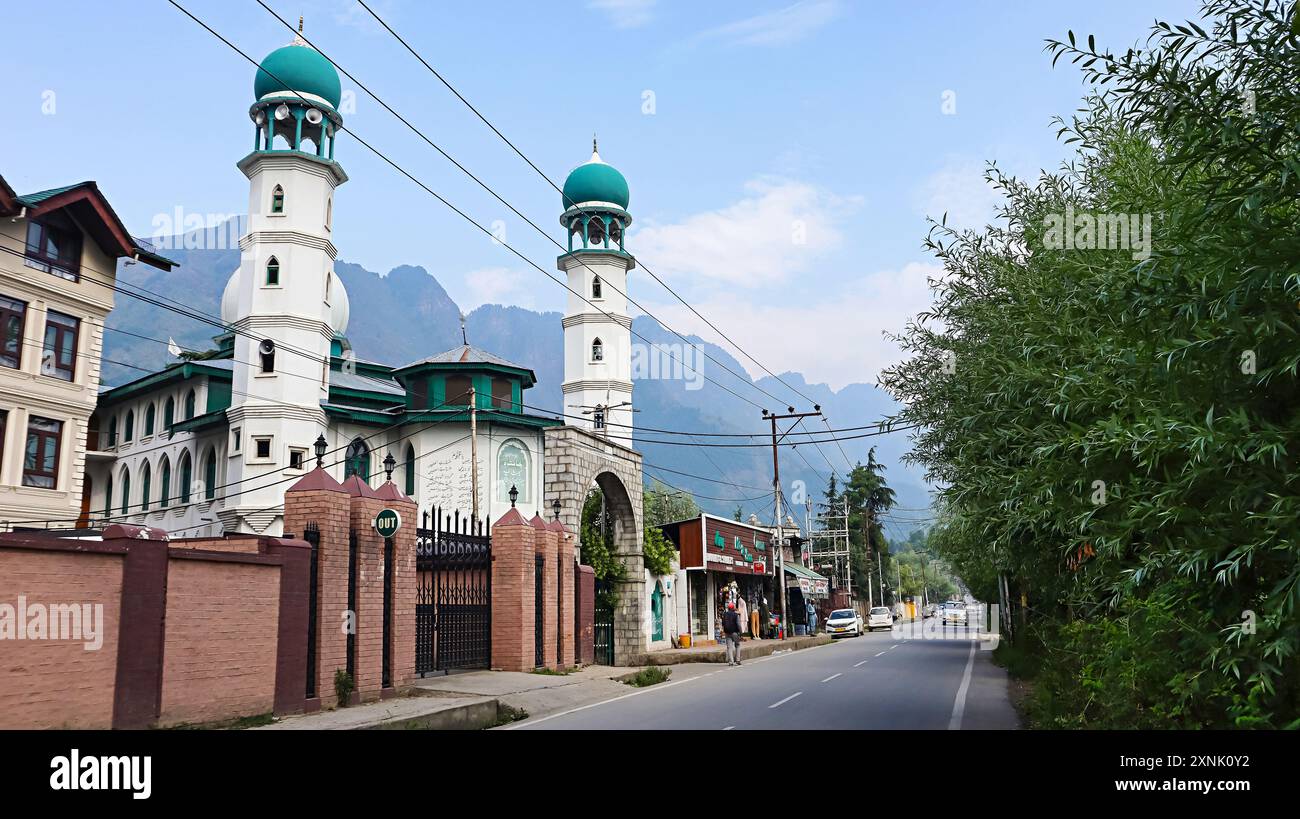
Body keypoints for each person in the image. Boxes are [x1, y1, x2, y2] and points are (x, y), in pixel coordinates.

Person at [722, 602, 743, 666]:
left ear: (728, 608)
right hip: (735, 633)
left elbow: (723, 624)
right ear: (733, 608)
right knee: (738, 645)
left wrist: (724, 631)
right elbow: (738, 625)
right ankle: (738, 660)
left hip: (727, 633)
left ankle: (731, 662)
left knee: (729, 647)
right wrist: (741, 632)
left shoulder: (725, 614)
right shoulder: (736, 615)